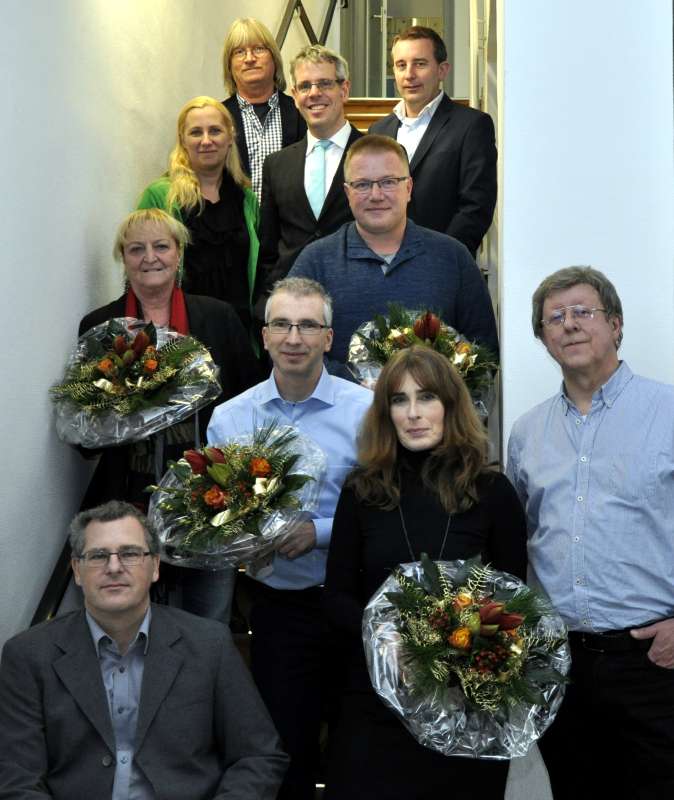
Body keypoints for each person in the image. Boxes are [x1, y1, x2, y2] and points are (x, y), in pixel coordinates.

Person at [324, 346, 527, 799]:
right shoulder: (362, 490)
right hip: (377, 699)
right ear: (385, 412)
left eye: (427, 398)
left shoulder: (492, 491)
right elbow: (336, 595)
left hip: (466, 706)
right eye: (399, 400)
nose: (413, 413)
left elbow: (515, 604)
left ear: (451, 407)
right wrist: (389, 641)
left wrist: (462, 643)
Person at [506, 266, 674, 800]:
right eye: (555, 318)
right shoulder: (526, 432)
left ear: (617, 325)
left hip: (654, 661)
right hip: (563, 667)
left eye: (584, 312)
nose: (570, 325)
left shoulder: (667, 411)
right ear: (542, 338)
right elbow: (522, 540)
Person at [207, 277, 372, 800]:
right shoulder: (230, 419)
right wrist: (243, 541)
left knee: (360, 749)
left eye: (307, 325)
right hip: (278, 607)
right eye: (282, 324)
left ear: (329, 338)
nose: (294, 336)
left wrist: (318, 533)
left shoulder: (367, 412)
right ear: (264, 336)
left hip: (355, 605)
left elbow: (386, 512)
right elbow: (216, 514)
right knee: (285, 751)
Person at [0, 500, 287, 799]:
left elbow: (259, 756)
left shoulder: (209, 644)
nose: (114, 567)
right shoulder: (29, 654)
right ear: (77, 570)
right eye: (98, 556)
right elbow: (18, 777)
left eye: (130, 554)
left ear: (155, 567)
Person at [79, 208, 259, 619]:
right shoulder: (100, 327)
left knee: (208, 623)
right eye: (136, 248)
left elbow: (250, 403)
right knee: (129, 622)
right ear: (122, 258)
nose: (150, 257)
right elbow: (83, 429)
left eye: (162, 246)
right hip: (129, 500)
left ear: (180, 254)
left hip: (212, 500)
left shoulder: (218, 318)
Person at [289, 134, 499, 368]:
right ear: (348, 194)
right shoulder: (315, 262)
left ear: (408, 188)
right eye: (362, 185)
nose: (376, 195)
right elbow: (291, 347)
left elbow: (485, 352)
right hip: (342, 405)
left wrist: (430, 391)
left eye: (388, 182)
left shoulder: (453, 258)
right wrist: (356, 391)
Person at [370, 25, 496, 257]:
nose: (409, 74)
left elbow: (476, 206)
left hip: (443, 264)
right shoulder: (378, 131)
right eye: (401, 65)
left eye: (420, 63)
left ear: (442, 70)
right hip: (383, 264)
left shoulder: (471, 125)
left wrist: (438, 259)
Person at [137, 96, 259, 336]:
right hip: (181, 336)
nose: (206, 141)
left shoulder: (246, 198)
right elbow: (139, 269)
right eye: (195, 132)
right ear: (183, 140)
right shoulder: (160, 196)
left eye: (215, 130)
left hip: (240, 332)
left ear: (230, 137)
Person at [257, 45, 362, 291]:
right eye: (305, 86)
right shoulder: (276, 165)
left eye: (325, 84)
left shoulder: (376, 155)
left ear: (344, 90)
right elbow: (268, 249)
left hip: (356, 294)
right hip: (292, 302)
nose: (314, 93)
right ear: (294, 96)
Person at [221, 17, 306, 201]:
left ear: (274, 58)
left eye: (259, 49)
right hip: (236, 227)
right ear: (230, 66)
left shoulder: (301, 112)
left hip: (287, 226)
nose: (250, 59)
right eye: (239, 52)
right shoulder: (218, 118)